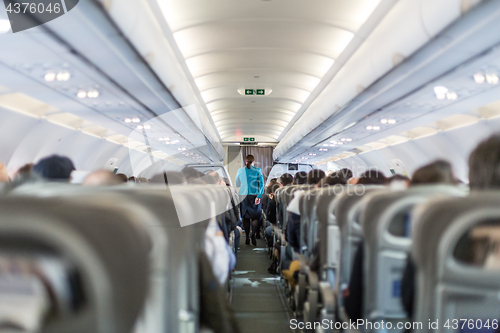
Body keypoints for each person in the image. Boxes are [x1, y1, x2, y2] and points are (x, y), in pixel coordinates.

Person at [235, 154, 265, 246]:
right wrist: (258, 196)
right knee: (255, 217)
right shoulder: (258, 170)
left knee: (245, 217)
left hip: (243, 196)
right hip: (254, 196)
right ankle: (254, 234)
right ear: (254, 161)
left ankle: (247, 237)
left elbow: (237, 184)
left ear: (245, 161)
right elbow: (262, 185)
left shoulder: (240, 170)